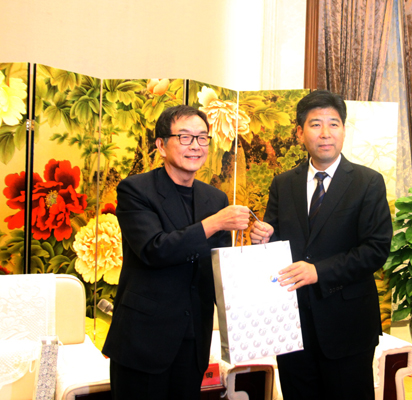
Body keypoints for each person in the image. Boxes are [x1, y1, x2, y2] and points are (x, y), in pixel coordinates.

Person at [250, 90, 392, 399]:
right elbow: (275, 242)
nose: (325, 133)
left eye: (333, 124)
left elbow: (376, 249)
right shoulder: (283, 183)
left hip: (347, 323)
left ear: (344, 130)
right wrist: (262, 239)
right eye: (315, 124)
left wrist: (319, 271)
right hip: (292, 323)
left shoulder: (368, 182)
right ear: (299, 132)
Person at [103, 105, 250, 400]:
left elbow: (221, 266)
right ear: (161, 145)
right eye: (184, 137)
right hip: (143, 340)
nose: (195, 146)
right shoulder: (135, 190)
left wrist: (258, 243)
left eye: (202, 137)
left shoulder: (215, 198)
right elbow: (154, 249)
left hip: (193, 340)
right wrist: (214, 223)